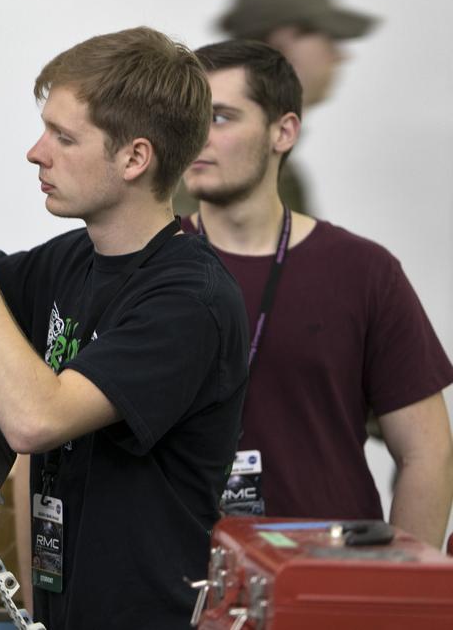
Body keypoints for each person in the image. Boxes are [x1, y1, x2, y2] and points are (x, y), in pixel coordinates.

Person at [0, 27, 248, 630]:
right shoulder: (73, 260)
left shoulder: (188, 300)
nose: (36, 152)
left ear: (134, 158)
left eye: (64, 137)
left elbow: (36, 418)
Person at [181, 39, 453, 545]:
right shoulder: (152, 263)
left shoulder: (363, 271)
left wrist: (402, 592)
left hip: (327, 578)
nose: (198, 136)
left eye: (220, 118)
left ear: (283, 131)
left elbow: (428, 451)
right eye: (190, 117)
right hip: (173, 588)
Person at [178, 0, 379, 216]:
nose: (340, 55)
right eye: (330, 39)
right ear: (283, 44)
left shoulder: (264, 168)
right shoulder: (203, 168)